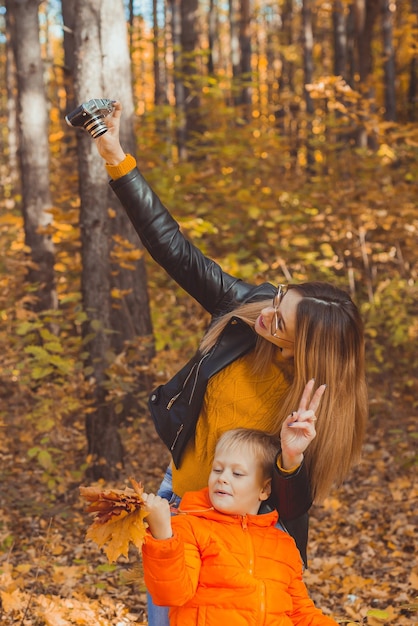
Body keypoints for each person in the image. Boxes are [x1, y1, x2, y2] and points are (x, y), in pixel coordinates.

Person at [91, 101, 368, 625]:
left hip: (249, 532)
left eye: (280, 323)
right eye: (278, 299)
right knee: (167, 614)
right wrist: (116, 158)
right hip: (182, 502)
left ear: (304, 350)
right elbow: (173, 249)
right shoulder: (249, 310)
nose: (267, 316)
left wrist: (289, 455)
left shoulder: (315, 400)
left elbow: (292, 504)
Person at [141, 427, 339, 626]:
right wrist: (163, 536)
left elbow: (300, 612)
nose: (223, 478)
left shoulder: (283, 544)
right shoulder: (191, 527)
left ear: (264, 489)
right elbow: (173, 594)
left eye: (237, 473)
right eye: (217, 469)